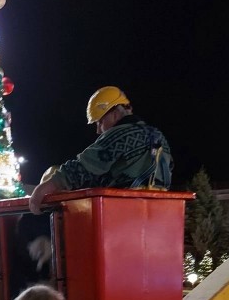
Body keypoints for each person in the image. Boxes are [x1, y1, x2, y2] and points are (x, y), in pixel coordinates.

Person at [29, 86, 173, 214]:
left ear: (115, 114)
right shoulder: (159, 136)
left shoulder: (120, 135)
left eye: (100, 122)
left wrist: (44, 188)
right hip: (159, 214)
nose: (98, 130)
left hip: (123, 214)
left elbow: (83, 169)